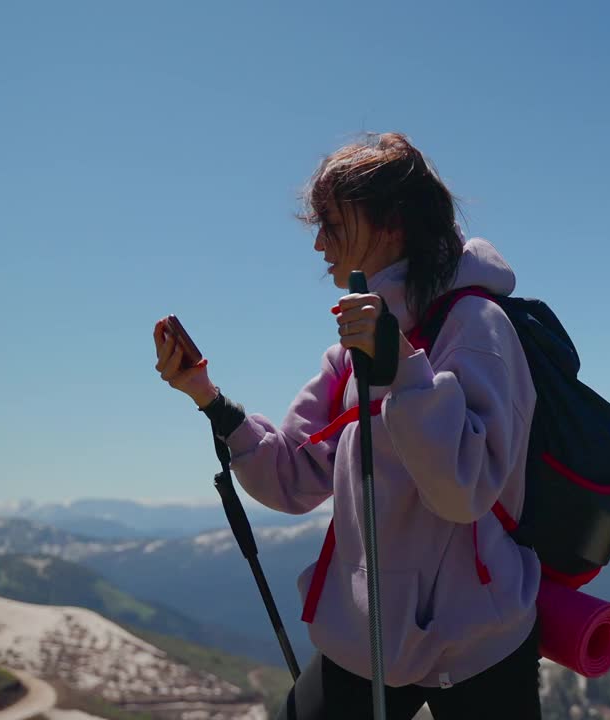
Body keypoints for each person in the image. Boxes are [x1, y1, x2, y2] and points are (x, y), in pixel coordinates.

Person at [153, 132, 543, 719]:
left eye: (332, 223)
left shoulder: (477, 326)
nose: (318, 242)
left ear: (390, 222)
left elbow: (464, 490)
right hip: (369, 638)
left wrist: (399, 372)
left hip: (477, 643)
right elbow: (294, 477)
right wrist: (207, 397)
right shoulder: (350, 354)